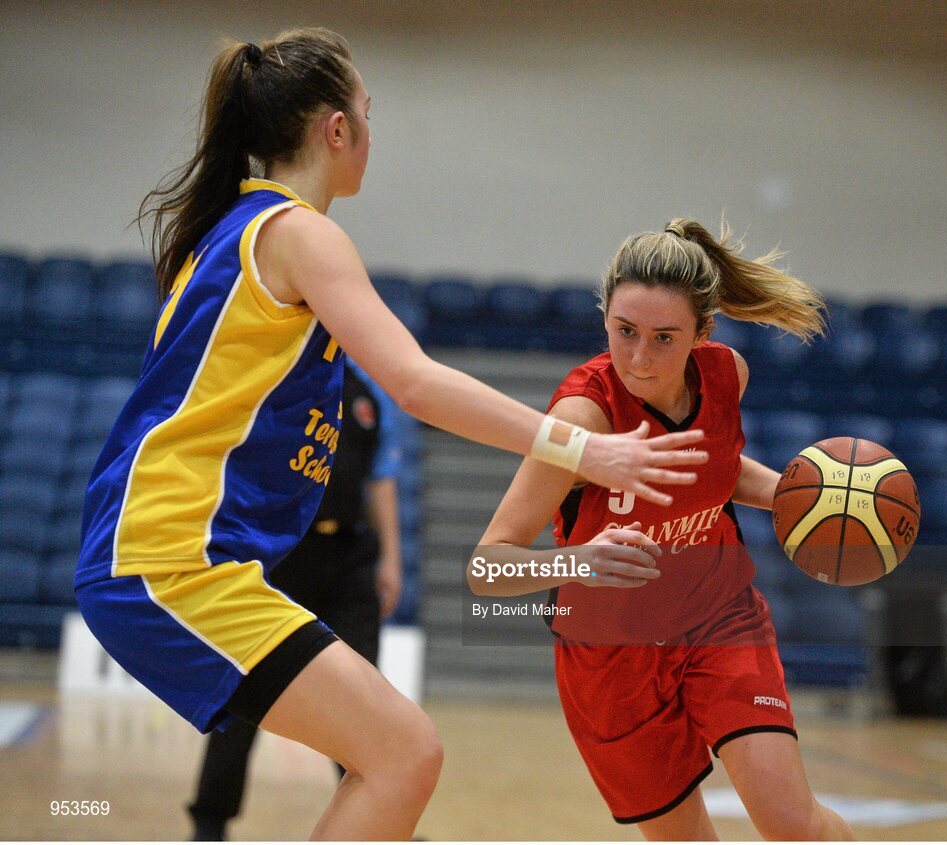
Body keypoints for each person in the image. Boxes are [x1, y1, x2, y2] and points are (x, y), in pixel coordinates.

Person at [73, 28, 707, 841]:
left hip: (173, 557)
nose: (375, 134)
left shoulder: (232, 232)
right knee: (405, 753)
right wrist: (588, 447)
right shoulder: (299, 233)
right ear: (336, 129)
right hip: (169, 558)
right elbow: (414, 382)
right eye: (369, 114)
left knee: (399, 759)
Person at [468, 218, 855, 840]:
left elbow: (711, 468)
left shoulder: (727, 374)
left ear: (703, 332)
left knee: (790, 824)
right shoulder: (583, 418)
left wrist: (799, 496)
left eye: (664, 338)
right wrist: (579, 562)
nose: (641, 358)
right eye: (624, 332)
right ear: (605, 321)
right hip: (608, 655)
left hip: (717, 617)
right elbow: (487, 566)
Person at [187, 357, 403, 841]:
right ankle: (209, 824)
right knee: (242, 699)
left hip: (348, 559)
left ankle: (379, 824)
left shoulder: (370, 394)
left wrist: (392, 558)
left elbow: (382, 477)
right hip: (278, 557)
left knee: (361, 702)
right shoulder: (278, 375)